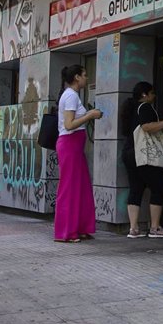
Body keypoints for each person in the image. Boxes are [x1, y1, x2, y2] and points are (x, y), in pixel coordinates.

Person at [120, 81, 163, 238]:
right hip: (143, 153)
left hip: (129, 152)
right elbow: (147, 127)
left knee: (136, 188)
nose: (154, 96)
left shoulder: (132, 108)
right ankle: (155, 228)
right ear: (145, 94)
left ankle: (134, 228)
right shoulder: (145, 107)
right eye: (152, 93)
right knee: (159, 186)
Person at [54, 65, 103, 243]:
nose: (87, 78)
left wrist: (89, 113)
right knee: (69, 188)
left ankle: (79, 227)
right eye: (84, 75)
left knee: (81, 186)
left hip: (74, 145)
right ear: (76, 77)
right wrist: (90, 116)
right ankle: (65, 232)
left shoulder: (72, 96)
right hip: (70, 143)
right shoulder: (71, 96)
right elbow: (69, 124)